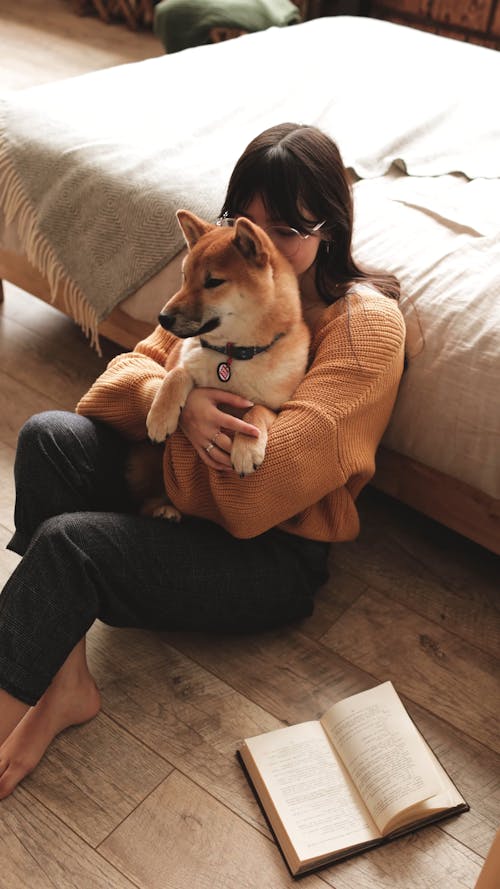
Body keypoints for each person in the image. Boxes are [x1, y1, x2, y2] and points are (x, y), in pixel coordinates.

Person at [0, 123, 405, 799]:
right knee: (46, 436)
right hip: (177, 493)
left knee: (73, 546)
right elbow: (104, 396)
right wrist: (178, 399)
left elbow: (254, 496)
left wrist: (179, 424)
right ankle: (65, 683)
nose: (261, 245)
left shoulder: (365, 332)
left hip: (268, 553)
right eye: (246, 220)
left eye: (287, 229)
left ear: (328, 229)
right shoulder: (215, 281)